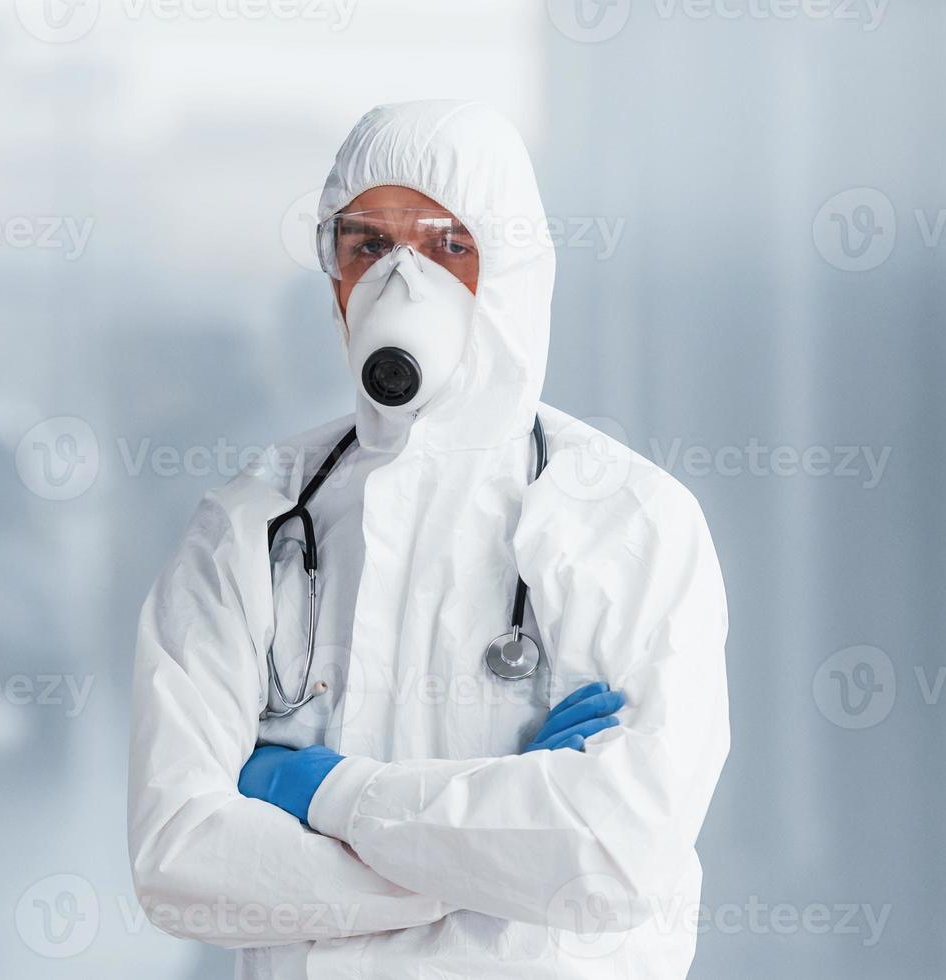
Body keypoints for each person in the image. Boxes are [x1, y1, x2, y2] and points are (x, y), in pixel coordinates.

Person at [128, 99, 729, 979]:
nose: (400, 285)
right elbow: (178, 860)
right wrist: (487, 861)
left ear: (513, 268)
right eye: (367, 245)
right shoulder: (255, 526)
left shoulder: (625, 521)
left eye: (449, 245)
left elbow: (617, 850)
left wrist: (327, 794)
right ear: (331, 272)